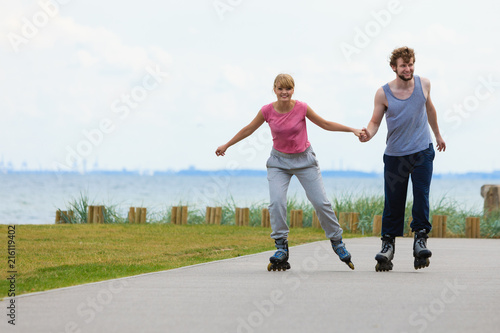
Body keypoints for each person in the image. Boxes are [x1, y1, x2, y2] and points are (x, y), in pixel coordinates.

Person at [216, 74, 361, 271]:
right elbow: (249, 129)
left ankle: (337, 241)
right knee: (276, 202)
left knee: (321, 202)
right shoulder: (267, 110)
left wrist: (352, 129)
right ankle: (281, 246)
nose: (284, 92)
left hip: (305, 161)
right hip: (278, 162)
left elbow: (325, 124)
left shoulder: (301, 107)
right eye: (280, 89)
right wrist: (227, 144)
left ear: (293, 90)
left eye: (288, 88)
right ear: (274, 90)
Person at [359, 47, 446, 271]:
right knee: (393, 201)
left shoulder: (424, 84)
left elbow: (430, 110)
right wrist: (368, 133)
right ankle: (388, 246)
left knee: (421, 196)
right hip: (395, 155)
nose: (407, 69)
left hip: (422, 150)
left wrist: (437, 135)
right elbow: (375, 121)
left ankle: (420, 240)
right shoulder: (383, 93)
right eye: (403, 65)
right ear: (394, 68)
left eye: (410, 64)